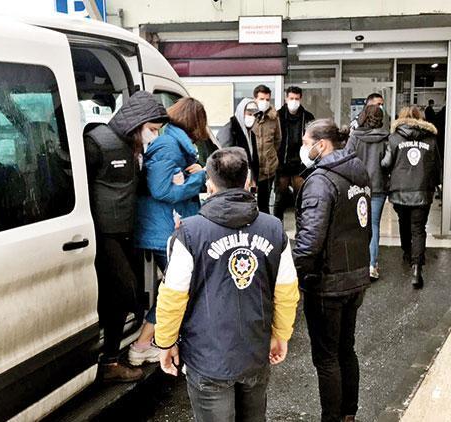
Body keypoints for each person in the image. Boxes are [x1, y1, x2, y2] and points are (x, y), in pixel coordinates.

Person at [154, 147, 300, 422]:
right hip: (255, 352)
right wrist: (280, 334)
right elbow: (286, 290)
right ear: (248, 182)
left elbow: (173, 296)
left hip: (208, 358)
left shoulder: (189, 233)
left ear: (209, 183)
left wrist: (166, 342)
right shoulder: (273, 229)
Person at [83, 90, 168, 383]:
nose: (153, 136)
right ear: (137, 123)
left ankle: (109, 357)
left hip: (125, 233)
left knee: (123, 296)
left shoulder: (132, 146)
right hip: (103, 234)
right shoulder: (98, 143)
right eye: (152, 130)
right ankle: (109, 362)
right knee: (124, 293)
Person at [294, 119, 372, 422]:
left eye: (305, 142)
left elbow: (310, 240)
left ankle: (332, 417)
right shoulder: (358, 172)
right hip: (355, 276)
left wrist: (291, 277)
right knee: (345, 349)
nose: (303, 148)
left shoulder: (321, 180)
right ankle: (348, 413)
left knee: (326, 357)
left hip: (327, 281)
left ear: (321, 145)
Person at [131, 97, 208, 366]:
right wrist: (199, 177)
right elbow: (163, 190)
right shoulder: (169, 147)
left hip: (166, 225)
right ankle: (143, 344)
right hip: (163, 227)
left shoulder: (174, 144)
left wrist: (188, 178)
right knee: (177, 286)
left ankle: (157, 339)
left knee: (175, 285)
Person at [381, 106, 440, 289]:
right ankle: (417, 268)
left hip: (400, 189)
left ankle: (407, 252)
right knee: (419, 228)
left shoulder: (394, 138)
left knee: (403, 223)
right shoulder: (430, 139)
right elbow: (436, 166)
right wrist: (434, 185)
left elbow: (386, 164)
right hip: (422, 190)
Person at [345, 104, 390, 282]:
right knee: (374, 225)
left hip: (356, 187)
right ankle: (372, 265)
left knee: (356, 226)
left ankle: (357, 265)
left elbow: (346, 159)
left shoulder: (354, 137)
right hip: (378, 187)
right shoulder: (386, 138)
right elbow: (388, 162)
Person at [275, 86, 315, 221]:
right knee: (280, 198)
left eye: (297, 99)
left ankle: (301, 229)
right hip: (282, 163)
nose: (294, 101)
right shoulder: (278, 116)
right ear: (286, 98)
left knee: (300, 199)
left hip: (300, 163)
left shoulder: (308, 117)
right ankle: (278, 227)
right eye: (291, 98)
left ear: (301, 99)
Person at [252, 85, 282, 213]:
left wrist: (269, 155)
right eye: (261, 99)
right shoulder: (249, 116)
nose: (264, 102)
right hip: (252, 170)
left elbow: (278, 140)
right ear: (255, 99)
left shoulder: (274, 118)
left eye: (267, 99)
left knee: (264, 205)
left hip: (268, 169)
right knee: (249, 204)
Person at [217, 98, 260, 186]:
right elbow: (225, 161)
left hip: (247, 182)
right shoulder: (229, 130)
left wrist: (253, 179)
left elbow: (252, 160)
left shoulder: (251, 133)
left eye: (254, 115)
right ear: (241, 112)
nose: (252, 117)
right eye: (249, 114)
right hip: (233, 182)